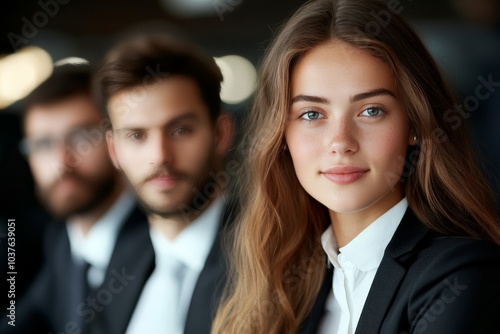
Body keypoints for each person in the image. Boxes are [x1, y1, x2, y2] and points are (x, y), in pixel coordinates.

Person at [212, 0, 500, 333]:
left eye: (371, 110)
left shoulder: (463, 277)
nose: (340, 141)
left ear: (416, 125)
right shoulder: (289, 282)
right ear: (280, 135)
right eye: (311, 114)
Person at [95, 35, 235, 334]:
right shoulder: (119, 261)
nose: (160, 156)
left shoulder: (272, 255)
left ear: (220, 134)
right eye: (136, 135)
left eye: (181, 129)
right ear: (114, 150)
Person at [1, 64, 150, 334]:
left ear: (116, 140)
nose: (61, 162)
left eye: (81, 136)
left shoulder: (160, 238)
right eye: (43, 144)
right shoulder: (61, 238)